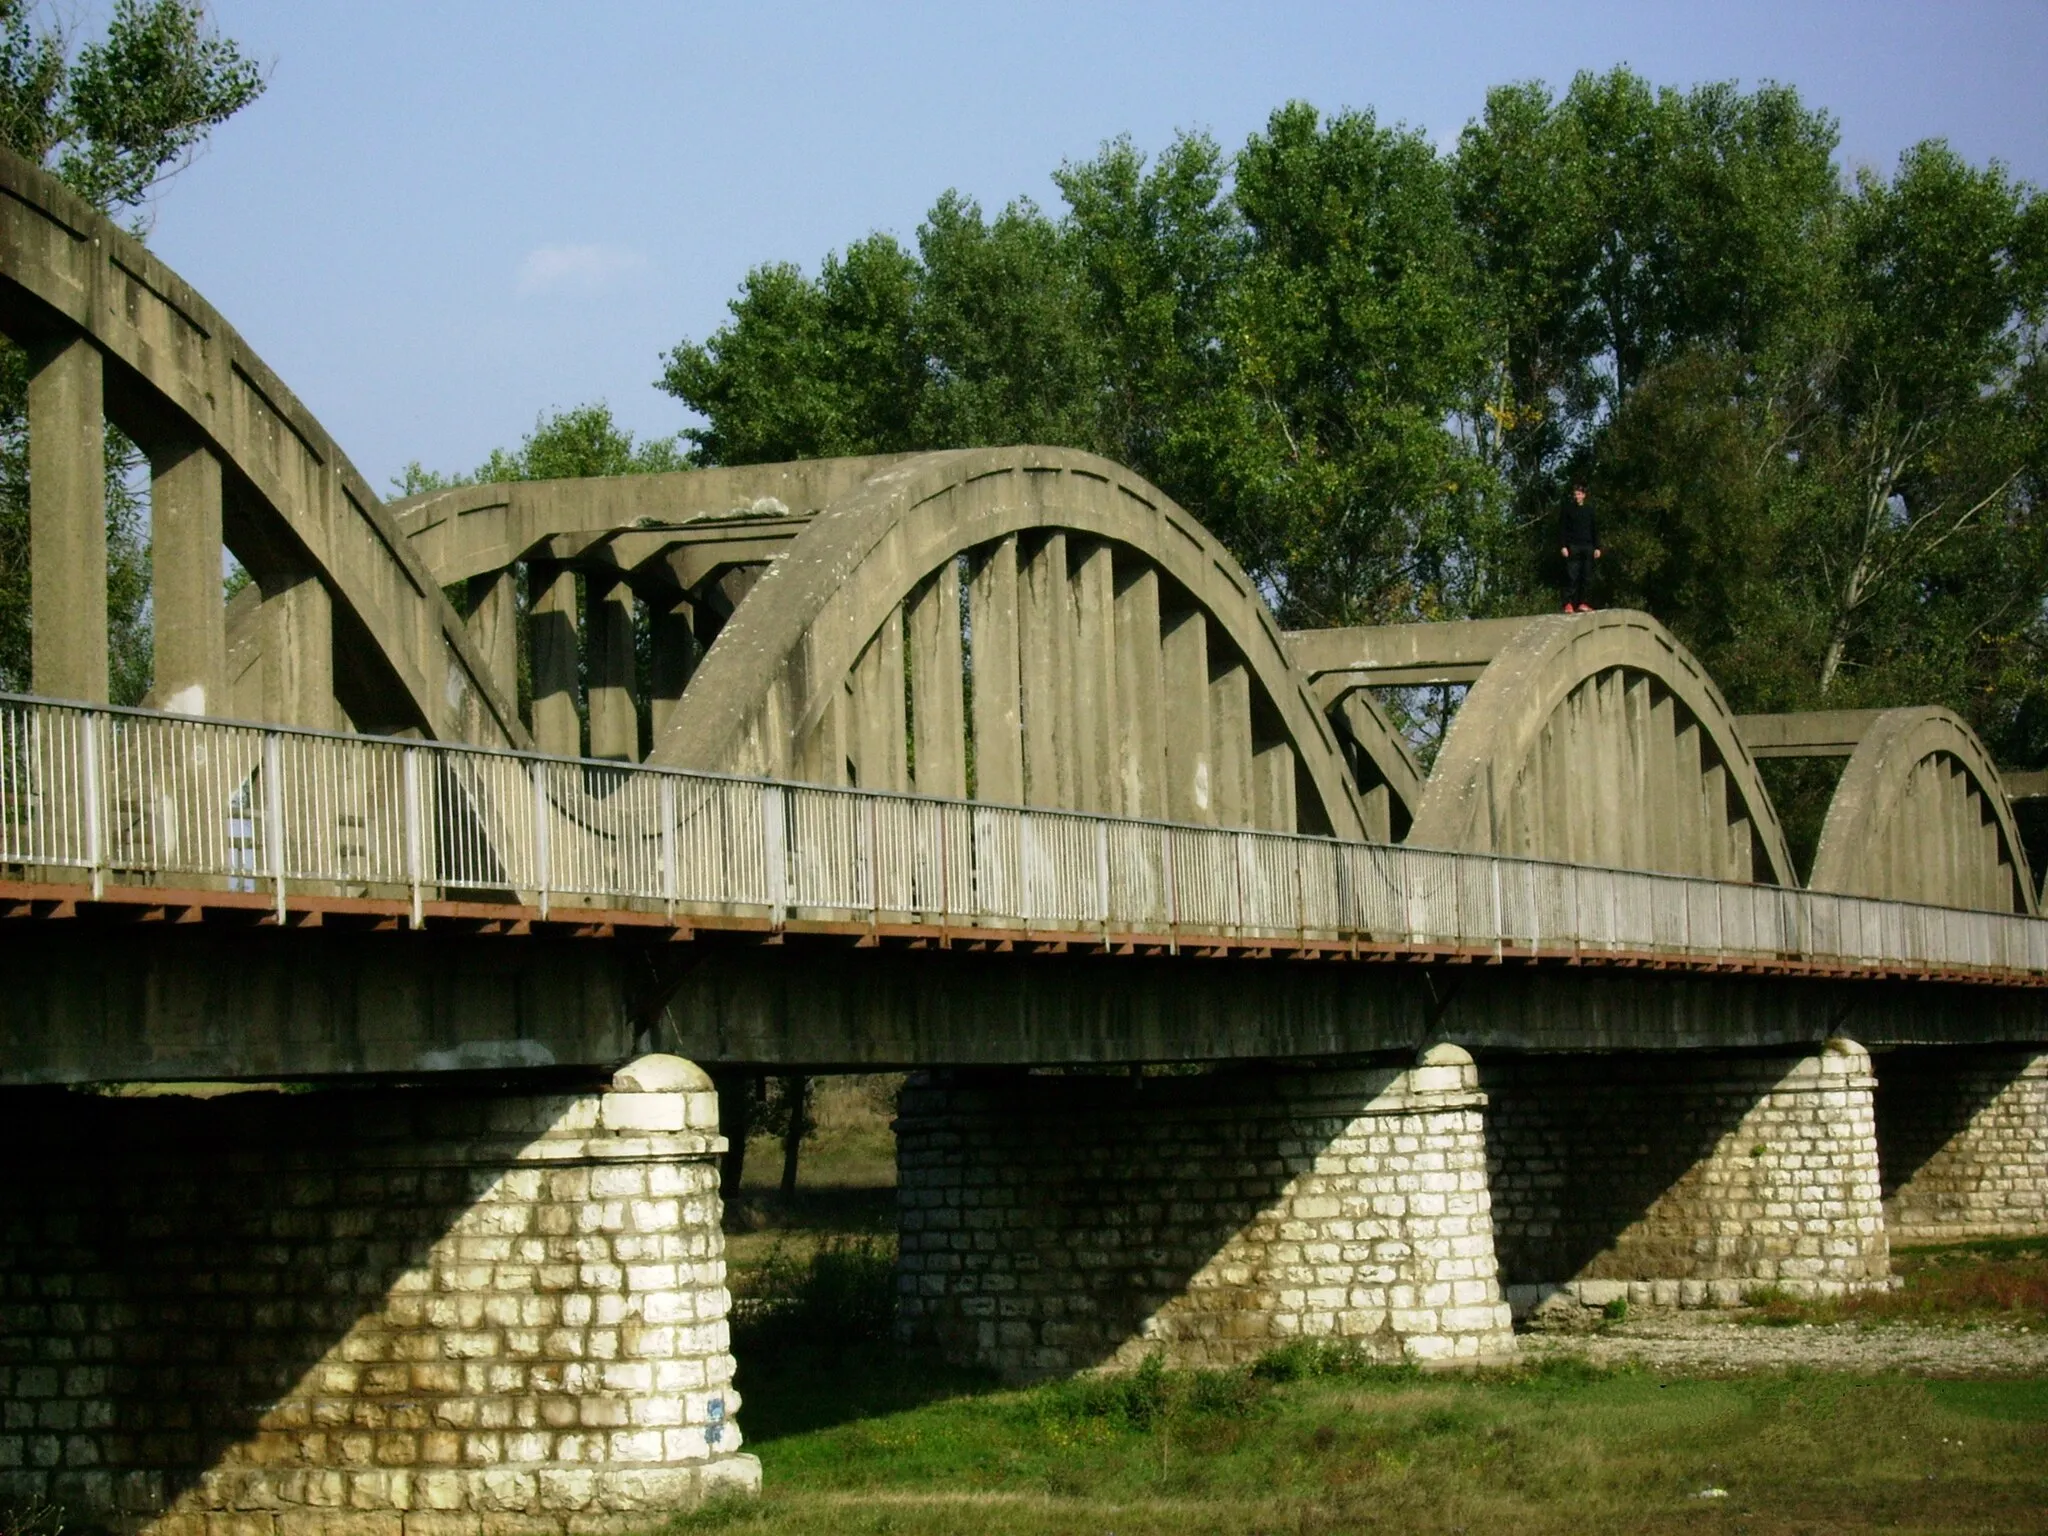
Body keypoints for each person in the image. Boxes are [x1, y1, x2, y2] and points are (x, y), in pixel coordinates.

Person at [1560, 483, 1600, 612]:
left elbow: (1595, 530)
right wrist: (1563, 546)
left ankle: (1583, 603)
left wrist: (1597, 547)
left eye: (1579, 494)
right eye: (1575, 494)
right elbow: (1562, 529)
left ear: (1584, 495)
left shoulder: (1590, 510)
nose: (1576, 496)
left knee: (1586, 576)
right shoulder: (1568, 509)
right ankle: (1568, 603)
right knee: (1572, 575)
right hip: (1573, 546)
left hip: (1588, 546)